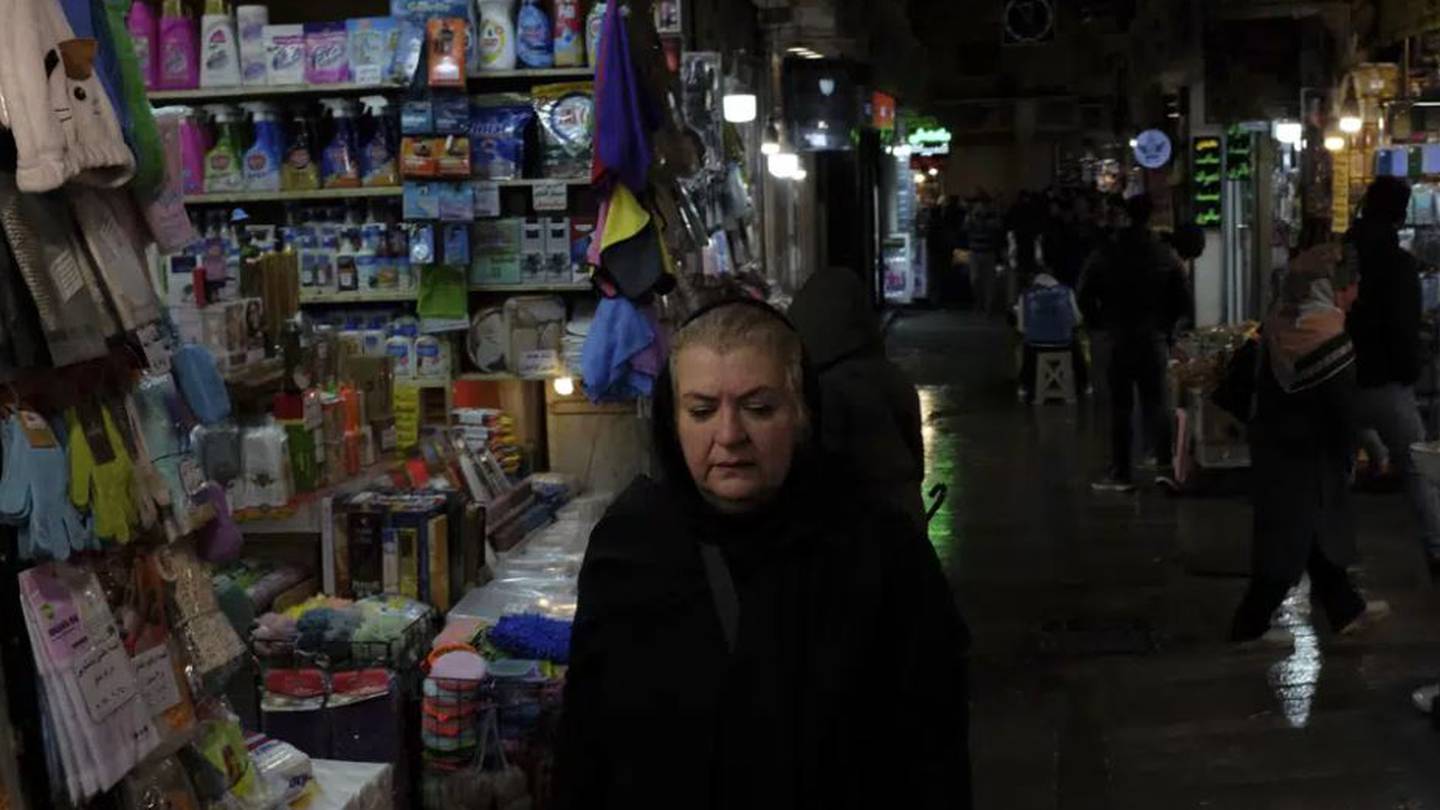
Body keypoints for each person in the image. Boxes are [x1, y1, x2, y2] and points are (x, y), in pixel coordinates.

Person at [555, 300, 971, 808]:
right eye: (703, 411)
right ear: (672, 418)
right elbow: (587, 748)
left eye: (759, 408)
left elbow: (932, 749)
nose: (730, 436)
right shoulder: (632, 549)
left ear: (801, 413)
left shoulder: (875, 547)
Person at [1230, 244, 1390, 644]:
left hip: (1275, 445)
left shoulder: (1282, 320)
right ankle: (1247, 627)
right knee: (1285, 547)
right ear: (1333, 289)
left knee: (1310, 533)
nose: (1354, 295)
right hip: (1305, 453)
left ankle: (1345, 609)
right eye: (1351, 286)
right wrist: (1356, 452)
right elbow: (1340, 409)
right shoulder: (1327, 339)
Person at [1345, 176, 1440, 581]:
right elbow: (1402, 327)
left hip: (1335, 377)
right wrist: (1409, 369)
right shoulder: (1398, 264)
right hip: (1385, 381)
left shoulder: (1341, 254)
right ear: (1400, 214)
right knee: (1417, 466)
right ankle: (1436, 548)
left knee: (1331, 471)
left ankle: (1329, 554)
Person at [788, 267, 927, 530]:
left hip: (856, 525)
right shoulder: (891, 377)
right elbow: (914, 452)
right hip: (904, 510)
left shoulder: (823, 390)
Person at [1079, 194, 1189, 493]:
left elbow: (1085, 291)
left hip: (1117, 337)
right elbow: (1182, 297)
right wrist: (1167, 327)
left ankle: (1121, 472)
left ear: (1126, 216)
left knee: (1121, 406)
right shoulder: (1164, 253)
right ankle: (1164, 467)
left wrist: (1099, 323)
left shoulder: (1107, 251)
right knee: (1157, 403)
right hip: (1153, 336)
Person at [1015, 266, 1088, 403]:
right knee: (1075, 342)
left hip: (1036, 347)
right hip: (1064, 345)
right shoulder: (1067, 292)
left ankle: (1026, 385)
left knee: (1025, 344)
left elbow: (1021, 328)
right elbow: (1077, 320)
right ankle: (1082, 384)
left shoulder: (1025, 295)